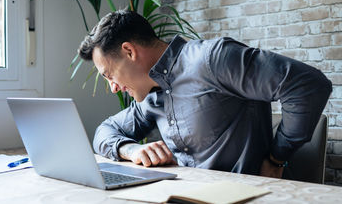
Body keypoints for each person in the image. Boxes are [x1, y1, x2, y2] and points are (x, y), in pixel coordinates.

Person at [78, 10, 332, 178]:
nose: (112, 87)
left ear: (129, 51)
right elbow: (104, 132)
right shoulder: (151, 96)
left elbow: (307, 85)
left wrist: (277, 157)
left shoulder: (213, 59)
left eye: (109, 75)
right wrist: (130, 150)